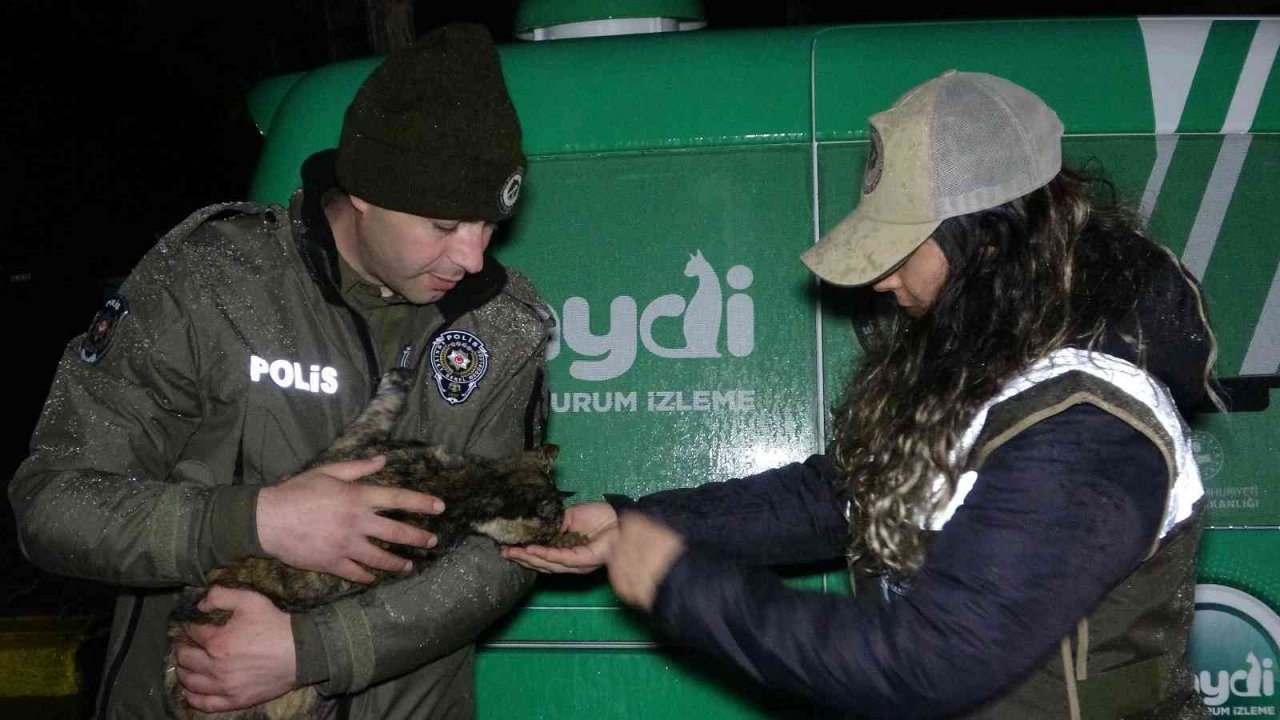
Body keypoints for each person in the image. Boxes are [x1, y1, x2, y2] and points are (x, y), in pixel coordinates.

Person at [505, 70, 1218, 719]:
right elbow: (837, 498)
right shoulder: (987, 369)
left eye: (902, 248)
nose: (880, 278)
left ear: (988, 242)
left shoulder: (1085, 422)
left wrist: (678, 583)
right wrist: (636, 521)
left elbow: (930, 662)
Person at [10, 22, 551, 719]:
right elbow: (53, 506)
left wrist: (312, 649)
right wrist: (256, 521)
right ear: (364, 191)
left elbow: (505, 555)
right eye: (445, 227)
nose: (474, 259)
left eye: (489, 227)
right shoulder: (210, 281)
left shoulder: (503, 325)